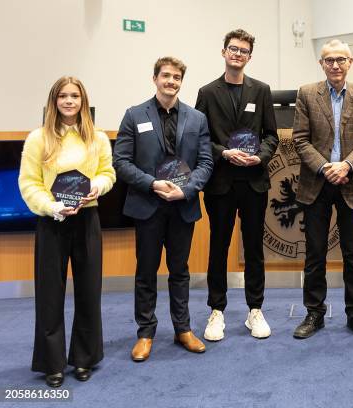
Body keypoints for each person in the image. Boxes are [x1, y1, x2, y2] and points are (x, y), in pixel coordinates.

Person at [113, 57, 213, 362]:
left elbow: (206, 163)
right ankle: (145, 333)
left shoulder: (197, 119)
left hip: (182, 205)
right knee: (146, 272)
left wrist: (184, 189)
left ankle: (183, 329)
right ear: (155, 78)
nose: (171, 81)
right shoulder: (134, 115)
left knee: (180, 271)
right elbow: (121, 162)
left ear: (182, 81)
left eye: (176, 77)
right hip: (148, 205)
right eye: (166, 76)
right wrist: (153, 184)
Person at [19, 76, 116, 387]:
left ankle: (83, 359)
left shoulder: (97, 138)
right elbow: (29, 183)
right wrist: (53, 207)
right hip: (52, 222)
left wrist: (97, 187)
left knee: (89, 291)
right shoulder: (38, 138)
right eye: (63, 96)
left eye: (75, 96)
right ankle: (53, 363)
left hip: (88, 220)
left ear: (83, 101)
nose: (69, 101)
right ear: (53, 101)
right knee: (49, 294)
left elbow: (107, 172)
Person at [195, 29, 278, 341]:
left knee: (254, 247)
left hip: (254, 182)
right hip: (221, 182)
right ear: (224, 52)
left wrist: (261, 157)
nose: (238, 54)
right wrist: (223, 152)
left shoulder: (261, 90)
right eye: (233, 49)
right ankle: (216, 310)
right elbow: (199, 138)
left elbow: (271, 135)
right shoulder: (207, 92)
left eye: (244, 50)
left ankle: (255, 310)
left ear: (249, 57)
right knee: (219, 246)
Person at [292, 39, 353, 339]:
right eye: (329, 60)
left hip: (351, 183)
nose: (335, 65)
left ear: (350, 62)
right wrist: (326, 167)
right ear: (321, 64)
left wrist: (346, 166)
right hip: (316, 183)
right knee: (314, 253)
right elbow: (300, 139)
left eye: (341, 59)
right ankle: (314, 314)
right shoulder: (306, 93)